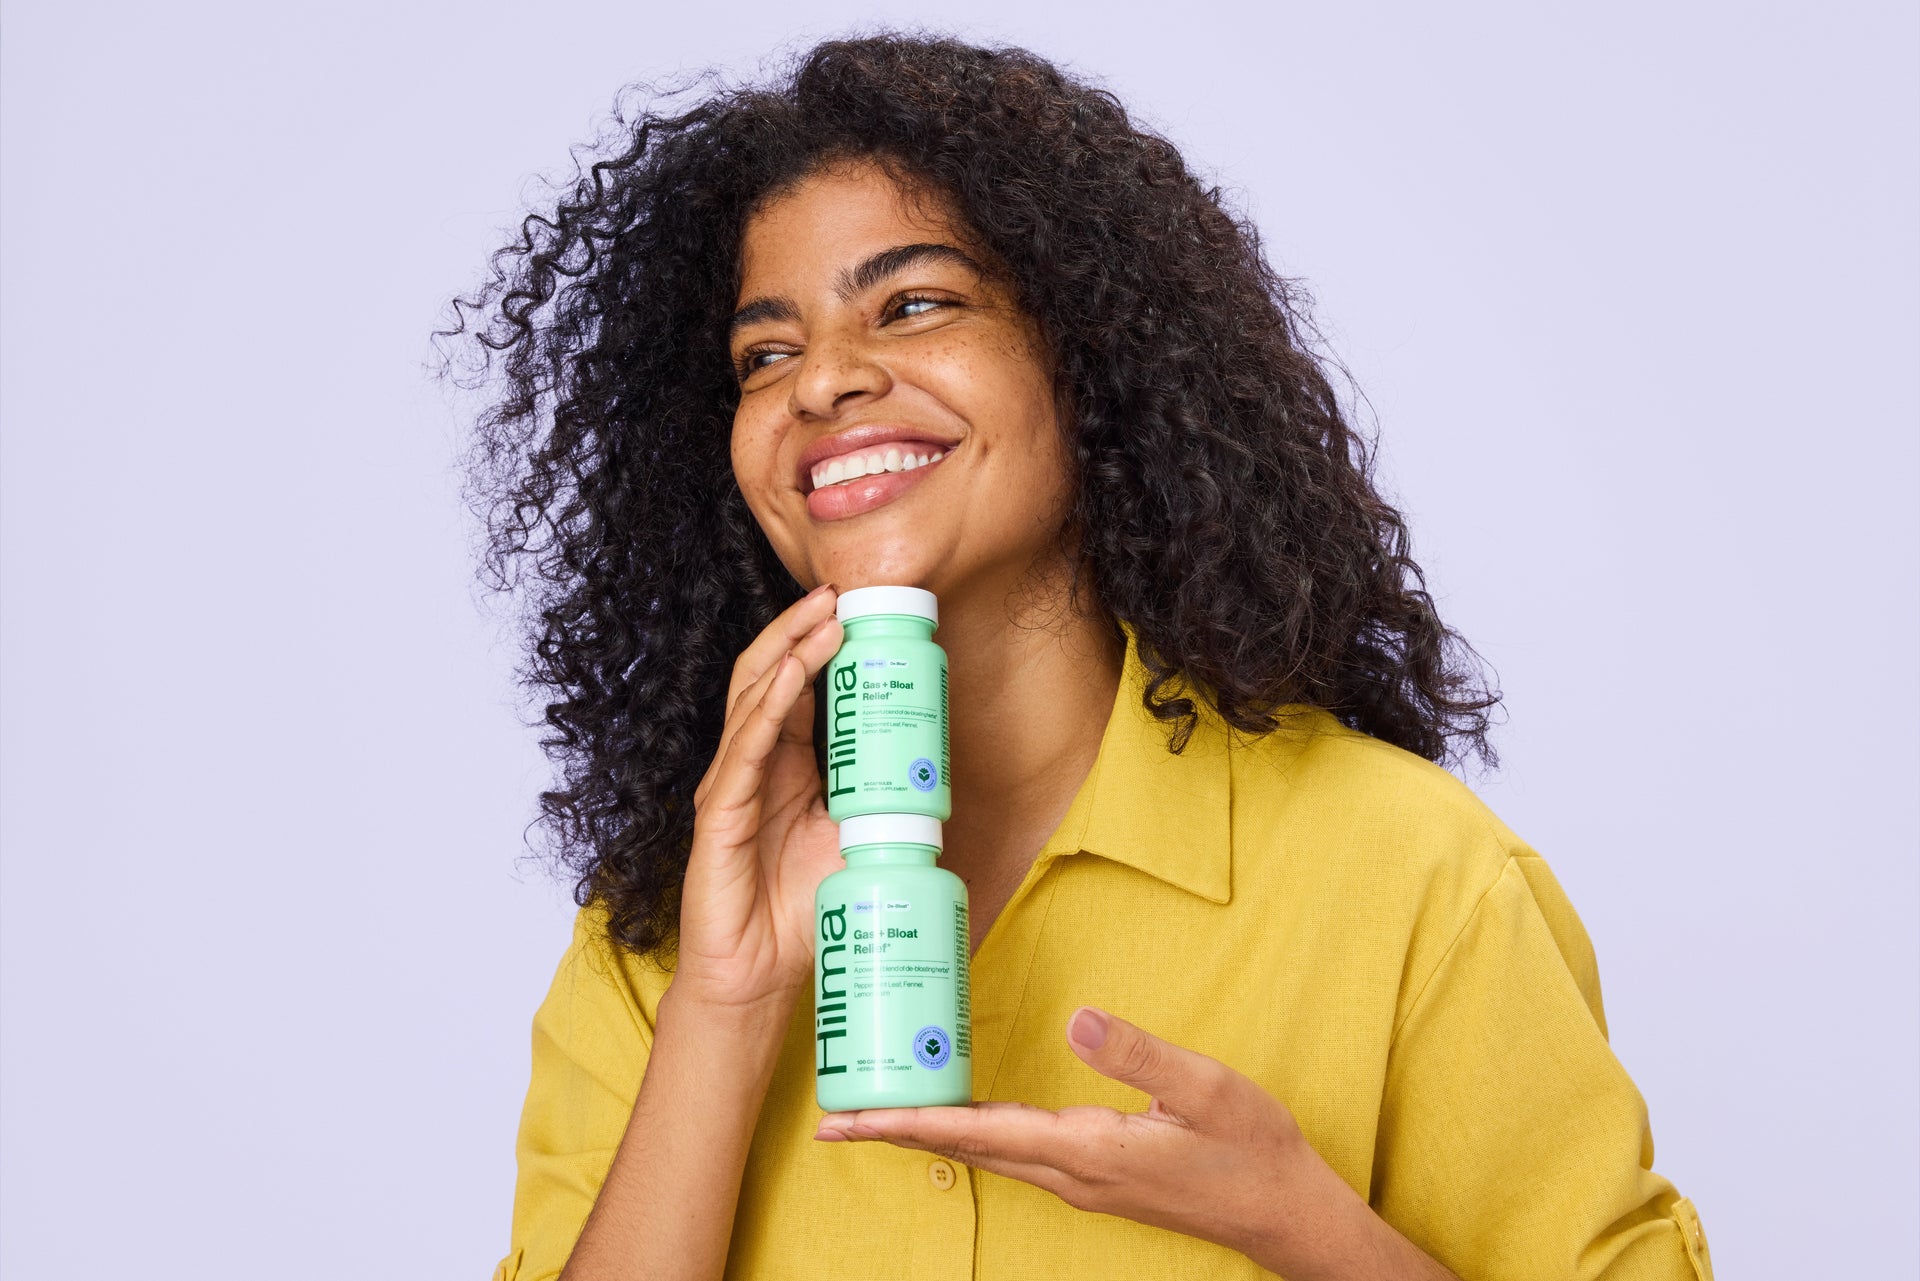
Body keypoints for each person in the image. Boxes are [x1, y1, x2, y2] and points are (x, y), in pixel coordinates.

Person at [437, 31, 1715, 1281]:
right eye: (764, 354)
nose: (821, 381)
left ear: (1088, 353)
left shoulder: (1410, 878)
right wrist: (723, 1010)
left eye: (915, 303)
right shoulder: (662, 928)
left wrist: (1298, 1225)